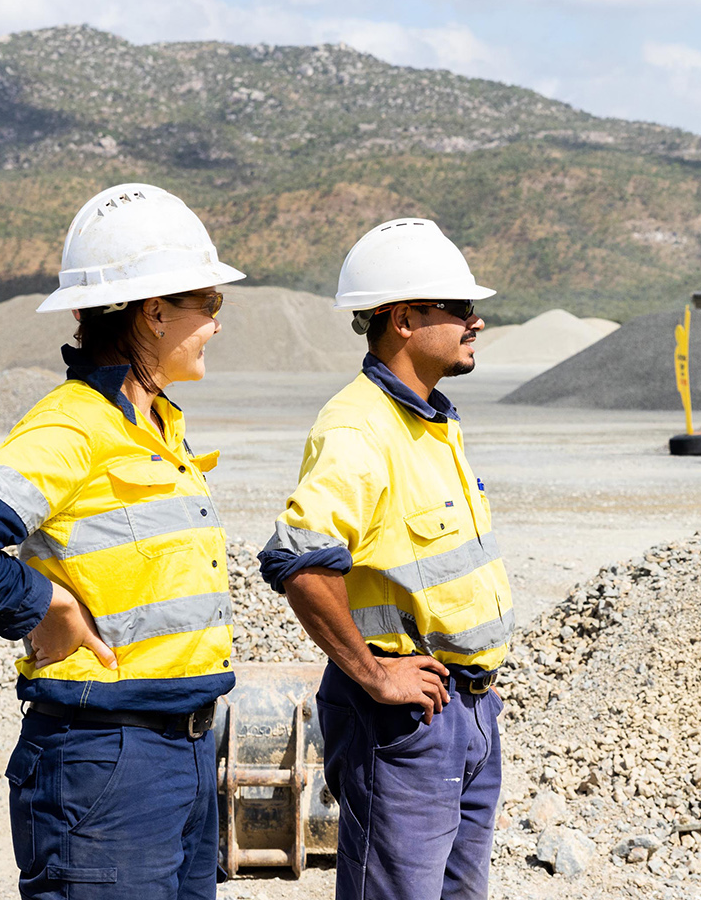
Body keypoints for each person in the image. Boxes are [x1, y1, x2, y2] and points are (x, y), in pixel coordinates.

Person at [0, 182, 247, 899]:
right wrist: (45, 605)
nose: (218, 322)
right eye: (208, 304)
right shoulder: (72, 425)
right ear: (154, 312)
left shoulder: (155, 428)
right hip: (106, 761)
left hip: (184, 751)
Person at [258, 217, 511, 900]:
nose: (475, 322)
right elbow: (300, 563)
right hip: (403, 722)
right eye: (458, 308)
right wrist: (373, 675)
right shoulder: (357, 428)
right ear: (402, 318)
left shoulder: (433, 421)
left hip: (468, 712)